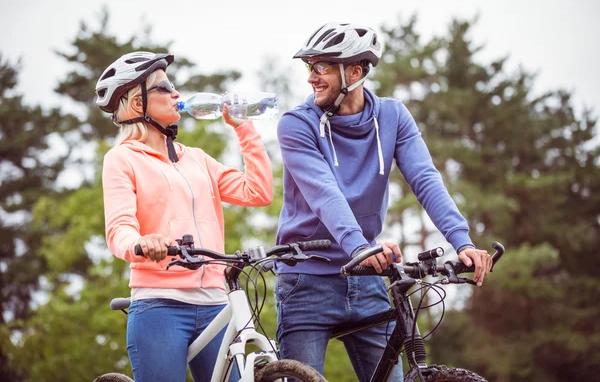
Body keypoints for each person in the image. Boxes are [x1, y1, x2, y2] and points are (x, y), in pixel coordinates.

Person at [274, 22, 493, 381]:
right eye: (309, 67)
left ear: (355, 72)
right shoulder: (297, 125)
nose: (311, 77)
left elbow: (425, 178)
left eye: (321, 67)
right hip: (306, 280)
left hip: (368, 277)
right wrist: (360, 246)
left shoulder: (392, 116)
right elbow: (325, 194)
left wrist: (462, 240)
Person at [97, 51, 273, 382]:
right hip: (160, 307)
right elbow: (119, 230)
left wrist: (243, 127)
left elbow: (258, 192)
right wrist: (141, 242)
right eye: (166, 87)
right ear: (138, 104)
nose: (177, 94)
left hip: (216, 305)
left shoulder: (197, 159)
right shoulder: (121, 159)